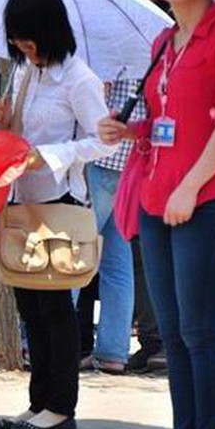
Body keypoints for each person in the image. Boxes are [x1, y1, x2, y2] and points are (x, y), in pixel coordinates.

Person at [98, 0, 215, 429]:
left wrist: (191, 186)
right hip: (155, 201)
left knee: (203, 333)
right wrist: (129, 130)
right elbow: (166, 120)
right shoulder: (164, 40)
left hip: (204, 202)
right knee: (176, 336)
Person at [0, 0, 116, 429]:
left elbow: (104, 140)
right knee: (30, 306)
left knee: (55, 307)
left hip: (57, 199)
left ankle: (60, 406)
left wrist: (54, 155)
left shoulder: (78, 78)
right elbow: (15, 133)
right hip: (20, 198)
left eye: (32, 39)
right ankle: (38, 401)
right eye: (19, 42)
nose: (26, 48)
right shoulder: (25, 71)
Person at [76, 76, 144, 374]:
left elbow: (95, 108)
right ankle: (113, 352)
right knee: (118, 263)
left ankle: (55, 345)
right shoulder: (150, 48)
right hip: (130, 168)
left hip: (100, 161)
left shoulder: (105, 51)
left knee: (73, 258)